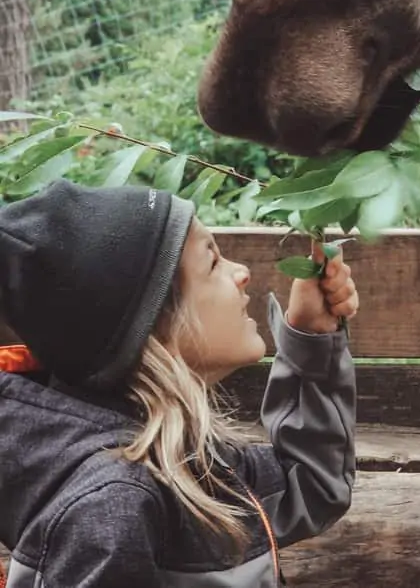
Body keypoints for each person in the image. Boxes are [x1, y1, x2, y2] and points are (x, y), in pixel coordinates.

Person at [0, 179, 358, 587]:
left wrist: (310, 336)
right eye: (213, 263)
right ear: (154, 331)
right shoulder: (110, 506)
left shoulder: (177, 456)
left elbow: (309, 484)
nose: (241, 273)